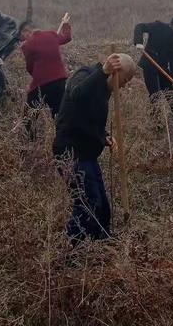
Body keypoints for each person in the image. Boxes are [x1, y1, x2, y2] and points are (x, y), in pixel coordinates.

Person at [53, 53, 136, 246]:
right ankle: (73, 249)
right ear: (113, 72)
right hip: (70, 152)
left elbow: (87, 118)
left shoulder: (104, 88)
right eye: (123, 80)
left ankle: (102, 242)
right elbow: (77, 94)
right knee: (88, 202)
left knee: (101, 203)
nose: (123, 86)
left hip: (87, 153)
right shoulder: (85, 74)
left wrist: (104, 136)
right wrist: (102, 71)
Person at [19, 13, 72, 137]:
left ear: (27, 31)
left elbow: (30, 67)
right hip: (60, 81)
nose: (23, 38)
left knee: (30, 115)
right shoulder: (52, 34)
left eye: (23, 35)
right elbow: (67, 37)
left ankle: (29, 142)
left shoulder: (27, 45)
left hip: (41, 84)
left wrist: (35, 81)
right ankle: (63, 140)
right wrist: (66, 25)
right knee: (59, 114)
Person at [133, 14, 173, 127]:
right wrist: (139, 42)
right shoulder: (158, 26)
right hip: (149, 64)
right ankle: (156, 125)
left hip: (162, 68)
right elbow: (139, 27)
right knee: (155, 95)